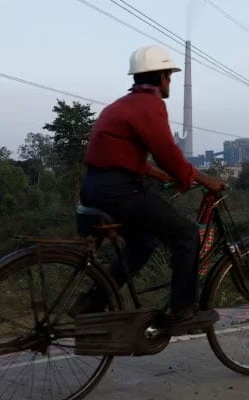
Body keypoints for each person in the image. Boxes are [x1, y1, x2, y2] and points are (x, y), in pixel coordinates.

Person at [77, 45, 226, 335]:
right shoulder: (150, 105)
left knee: (143, 243)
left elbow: (133, 161)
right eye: (169, 76)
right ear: (160, 77)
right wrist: (198, 180)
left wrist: (167, 178)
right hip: (120, 191)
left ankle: (92, 302)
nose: (170, 82)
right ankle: (182, 311)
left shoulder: (121, 105)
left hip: (95, 186)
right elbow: (167, 152)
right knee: (185, 234)